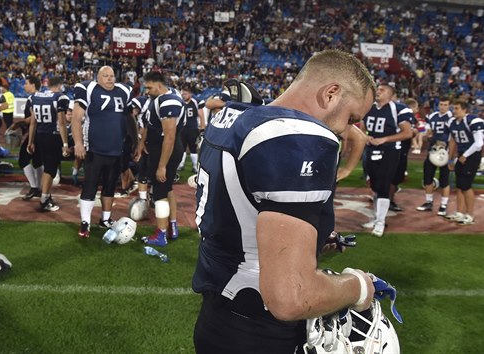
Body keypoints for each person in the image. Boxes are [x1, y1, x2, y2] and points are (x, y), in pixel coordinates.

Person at [191, 50, 376, 353]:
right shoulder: (297, 136)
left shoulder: (233, 116)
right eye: (351, 117)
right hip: (259, 330)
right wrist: (357, 286)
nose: (345, 129)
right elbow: (291, 298)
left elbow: (241, 209)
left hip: (217, 315)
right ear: (331, 93)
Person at [72, 66, 132, 237]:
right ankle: (85, 223)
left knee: (110, 185)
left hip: (116, 149)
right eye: (105, 76)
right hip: (94, 148)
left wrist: (135, 141)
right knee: (90, 185)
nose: (109, 79)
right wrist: (78, 143)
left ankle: (105, 219)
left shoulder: (124, 91)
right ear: (97, 78)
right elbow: (76, 118)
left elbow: (129, 119)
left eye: (112, 75)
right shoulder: (88, 89)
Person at [137, 72, 185, 246]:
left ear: (159, 85)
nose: (147, 91)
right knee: (167, 188)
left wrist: (162, 166)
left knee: (159, 192)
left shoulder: (168, 100)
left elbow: (170, 137)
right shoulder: (164, 96)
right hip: (161, 147)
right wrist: (142, 143)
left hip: (166, 150)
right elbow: (151, 125)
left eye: (149, 87)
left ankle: (161, 234)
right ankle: (172, 226)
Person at [360, 84, 413, 237]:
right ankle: (376, 217)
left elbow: (407, 133)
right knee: (375, 186)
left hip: (390, 151)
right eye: (377, 89)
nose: (378, 91)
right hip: (371, 149)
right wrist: (366, 137)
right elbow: (362, 128)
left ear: (390, 94)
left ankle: (381, 222)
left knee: (383, 185)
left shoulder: (398, 109)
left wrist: (384, 139)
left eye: (382, 90)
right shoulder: (369, 107)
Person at [27, 77, 69, 212]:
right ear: (60, 85)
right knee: (50, 170)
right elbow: (61, 122)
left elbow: (33, 122)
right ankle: (44, 200)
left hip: (40, 136)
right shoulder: (60, 97)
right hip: (53, 136)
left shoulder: (35, 97)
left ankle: (46, 195)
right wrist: (65, 143)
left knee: (47, 167)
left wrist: (30, 141)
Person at [445, 99, 483, 225]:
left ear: (465, 110)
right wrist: (450, 158)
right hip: (461, 155)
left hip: (472, 155)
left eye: (456, 108)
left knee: (466, 185)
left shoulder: (473, 120)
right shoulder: (452, 122)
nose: (453, 111)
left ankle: (470, 215)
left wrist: (465, 155)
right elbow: (452, 140)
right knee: (459, 185)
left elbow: (479, 143)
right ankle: (459, 212)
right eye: (453, 108)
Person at [416, 97, 453, 215]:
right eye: (441, 104)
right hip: (432, 151)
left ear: (449, 106)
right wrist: (427, 134)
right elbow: (427, 131)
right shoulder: (433, 116)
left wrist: (450, 154)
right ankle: (428, 202)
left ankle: (443, 205)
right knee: (427, 177)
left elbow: (453, 138)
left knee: (444, 180)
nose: (443, 106)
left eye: (445, 104)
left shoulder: (451, 118)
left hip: (444, 152)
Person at [10, 76, 44, 200]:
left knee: (23, 160)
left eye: (26, 83)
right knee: (37, 161)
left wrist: (18, 123)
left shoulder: (32, 99)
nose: (24, 86)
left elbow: (33, 119)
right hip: (43, 133)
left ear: (33, 85)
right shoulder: (43, 97)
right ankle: (39, 187)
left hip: (35, 133)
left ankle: (34, 187)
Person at [177, 85, 205, 173]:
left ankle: (195, 166)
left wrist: (202, 128)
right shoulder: (179, 102)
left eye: (185, 94)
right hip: (182, 129)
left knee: (193, 148)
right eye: (182, 94)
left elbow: (201, 115)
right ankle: (181, 165)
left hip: (192, 128)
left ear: (190, 94)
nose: (183, 96)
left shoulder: (196, 102)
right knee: (182, 148)